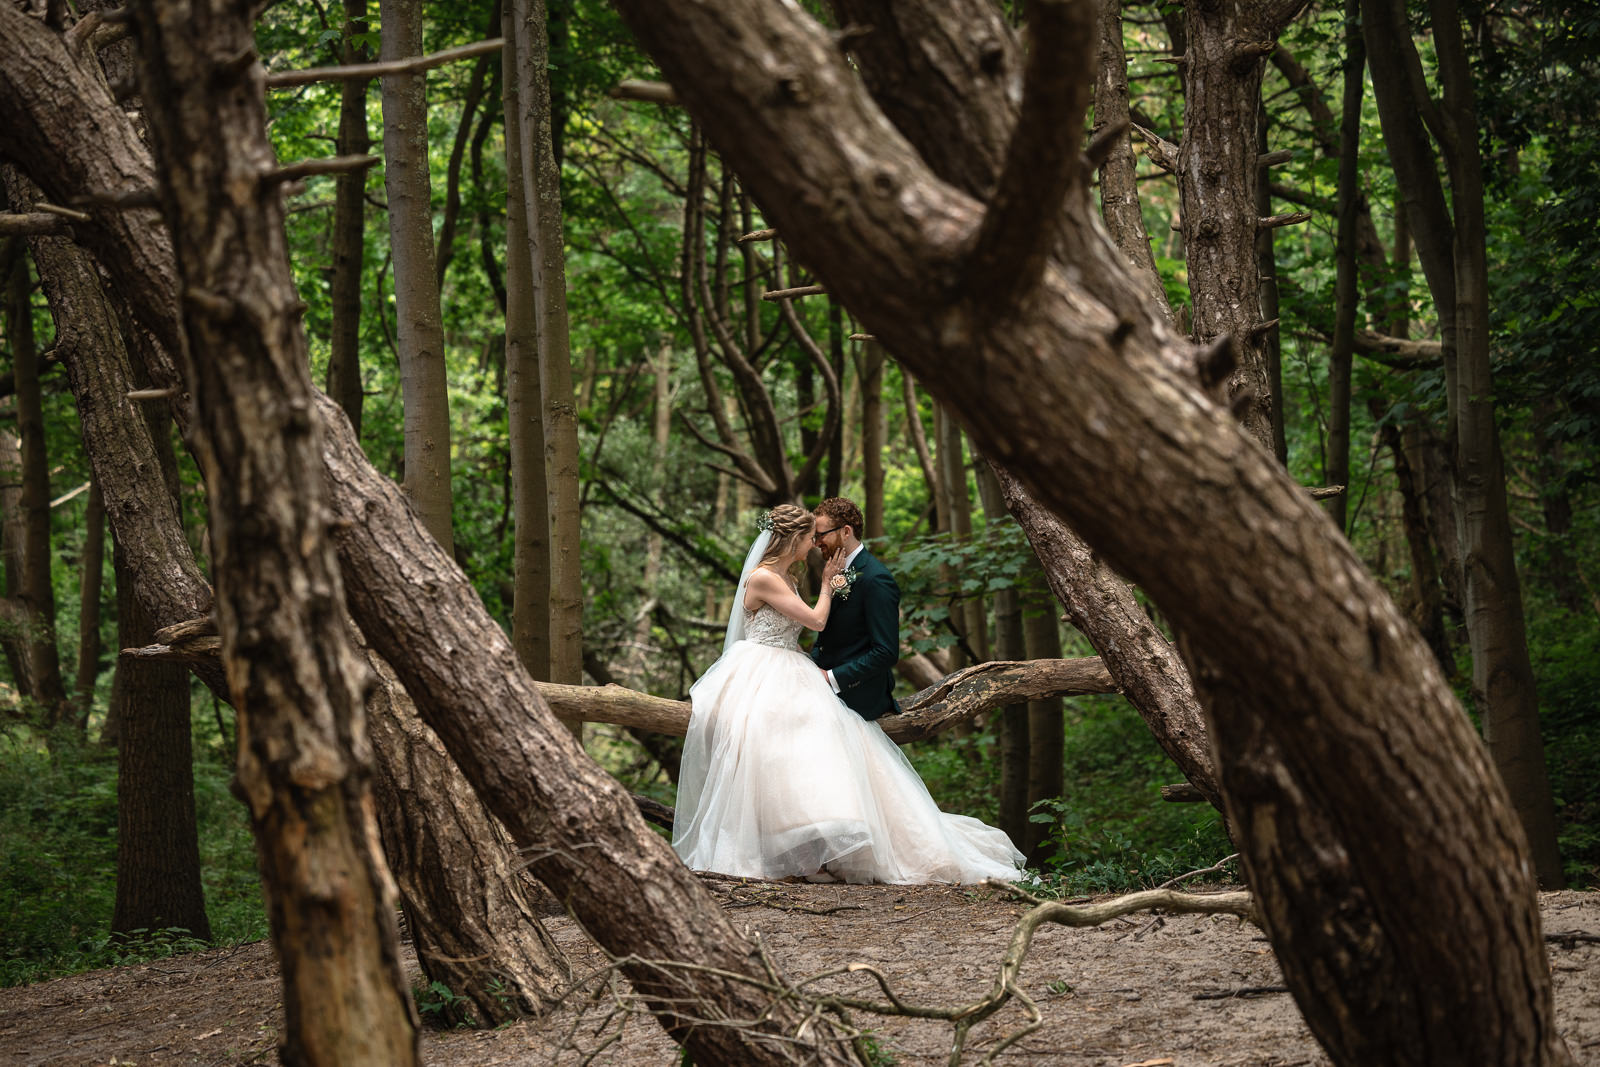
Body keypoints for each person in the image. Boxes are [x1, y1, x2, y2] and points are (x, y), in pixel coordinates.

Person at [672, 503, 1025, 884]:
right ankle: (793, 853)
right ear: (794, 538)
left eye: (820, 535)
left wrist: (826, 673)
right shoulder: (771, 577)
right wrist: (827, 586)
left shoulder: (866, 578)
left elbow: (882, 649)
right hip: (767, 672)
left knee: (814, 749)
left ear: (844, 532)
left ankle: (816, 852)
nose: (815, 544)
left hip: (808, 673)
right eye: (810, 536)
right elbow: (816, 622)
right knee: (775, 752)